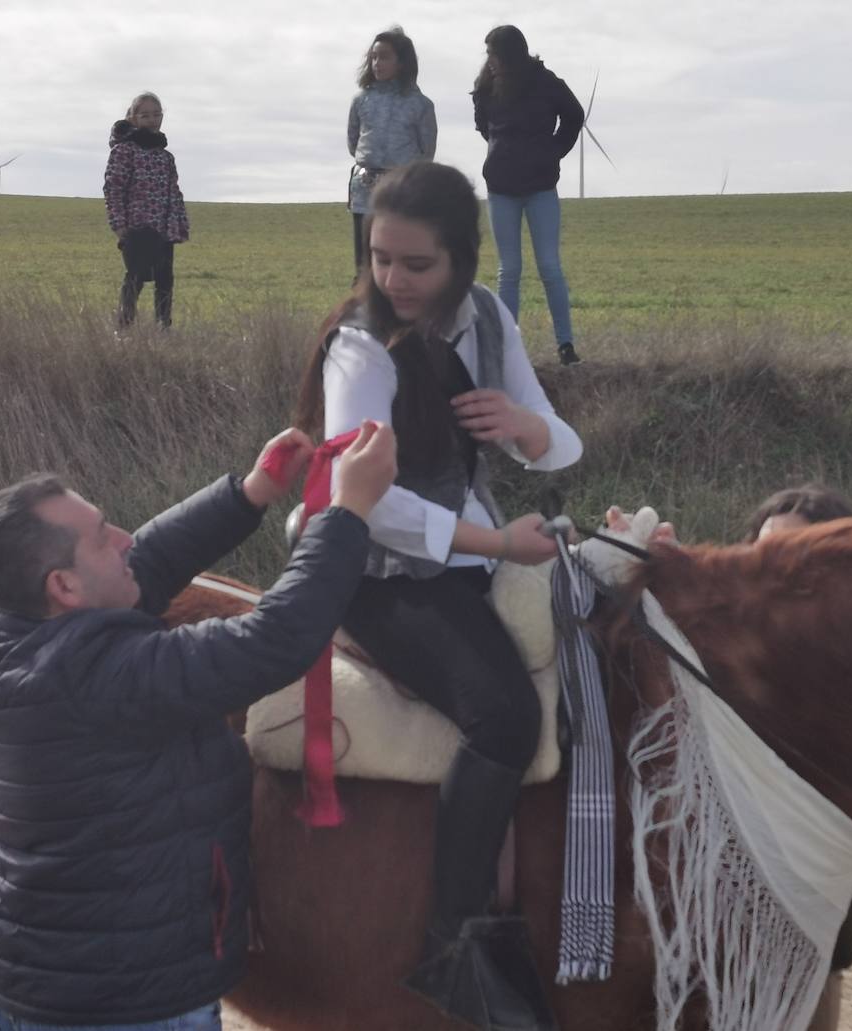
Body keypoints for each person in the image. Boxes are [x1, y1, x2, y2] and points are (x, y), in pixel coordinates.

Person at [0, 422, 397, 1031]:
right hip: (129, 1005)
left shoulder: (1, 638)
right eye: (103, 538)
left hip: (38, 987)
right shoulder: (106, 679)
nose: (125, 538)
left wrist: (249, 494)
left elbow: (143, 564)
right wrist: (348, 514)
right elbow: (272, 640)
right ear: (63, 585)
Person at [297, 160, 582, 1031]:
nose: (393, 279)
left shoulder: (491, 316)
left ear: (461, 258)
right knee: (504, 716)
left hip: (465, 552)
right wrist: (497, 541)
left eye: (415, 264)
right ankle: (453, 940)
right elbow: (368, 500)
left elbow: (557, 442)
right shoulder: (358, 343)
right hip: (370, 570)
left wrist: (525, 428)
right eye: (381, 258)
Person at [746, 483, 852, 1031]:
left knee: (818, 973)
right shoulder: (726, 626)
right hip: (737, 842)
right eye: (766, 549)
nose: (777, 566)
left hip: (819, 846)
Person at [471, 25, 585, 367]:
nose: (489, 60)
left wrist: (553, 152)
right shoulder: (487, 87)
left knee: (550, 267)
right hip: (501, 188)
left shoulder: (545, 82)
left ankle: (566, 346)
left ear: (509, 54)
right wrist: (502, 152)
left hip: (541, 187)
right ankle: (509, 349)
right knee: (510, 270)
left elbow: (575, 116)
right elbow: (483, 126)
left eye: (493, 53)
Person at [347, 27, 437, 274]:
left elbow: (427, 151)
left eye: (384, 57)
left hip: (403, 191)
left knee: (399, 259)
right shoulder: (360, 100)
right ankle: (364, 309)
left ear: (402, 62)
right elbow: (353, 141)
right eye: (373, 57)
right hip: (364, 189)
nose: (377, 63)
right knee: (365, 264)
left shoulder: (421, 105)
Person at [104, 91, 189, 328]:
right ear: (133, 118)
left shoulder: (166, 156)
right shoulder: (124, 151)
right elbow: (113, 189)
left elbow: (173, 191)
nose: (152, 120)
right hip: (137, 226)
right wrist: (119, 226)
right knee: (136, 277)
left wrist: (178, 224)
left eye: (157, 115)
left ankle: (164, 328)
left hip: (164, 227)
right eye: (145, 116)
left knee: (165, 280)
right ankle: (123, 328)